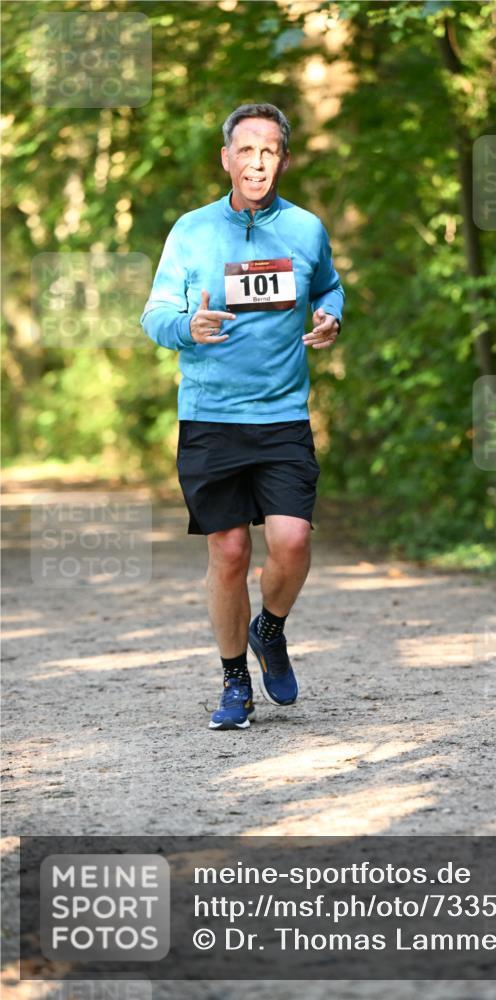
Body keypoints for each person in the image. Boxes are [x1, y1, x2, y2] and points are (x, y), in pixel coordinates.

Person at [140, 103, 344, 732]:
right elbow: (155, 314)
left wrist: (331, 316)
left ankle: (270, 629)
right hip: (210, 417)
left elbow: (328, 287)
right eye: (247, 150)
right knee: (228, 554)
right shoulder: (192, 231)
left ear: (283, 158)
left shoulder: (306, 229)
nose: (259, 161)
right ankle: (234, 683)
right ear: (226, 157)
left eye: (271, 150)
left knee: (292, 542)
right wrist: (187, 326)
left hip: (281, 414)